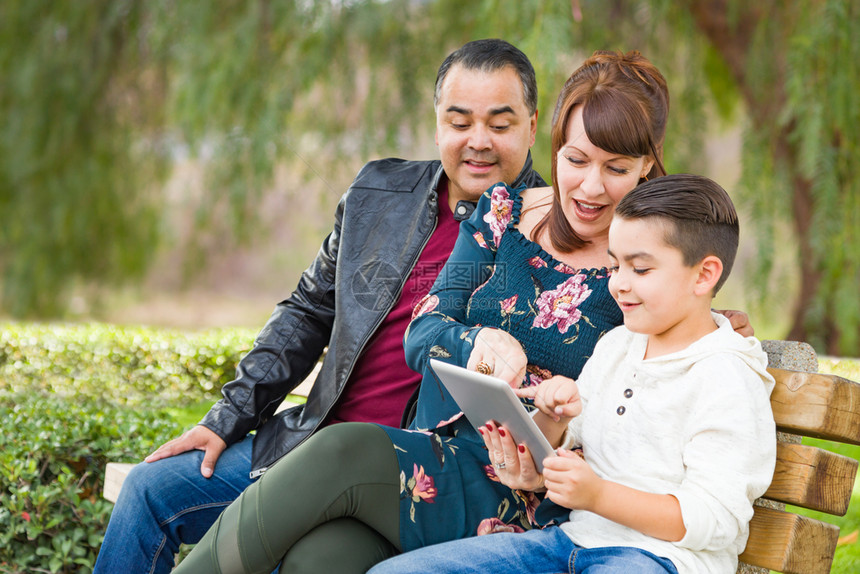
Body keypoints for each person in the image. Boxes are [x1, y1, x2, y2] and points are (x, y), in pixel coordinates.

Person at [172, 50, 753, 574]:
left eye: (617, 169)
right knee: (319, 559)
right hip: (431, 454)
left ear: (648, 167)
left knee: (342, 449)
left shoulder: (644, 271)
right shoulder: (503, 214)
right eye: (576, 159)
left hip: (532, 497)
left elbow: (688, 343)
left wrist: (720, 321)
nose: (590, 187)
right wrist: (478, 342)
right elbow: (423, 330)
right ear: (552, 145)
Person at [93, 38, 548, 574]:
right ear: (437, 124)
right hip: (310, 443)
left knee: (312, 560)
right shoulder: (380, 192)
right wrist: (227, 419)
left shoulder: (549, 235)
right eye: (459, 121)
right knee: (149, 490)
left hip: (405, 481)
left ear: (532, 126)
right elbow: (308, 310)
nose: (478, 142)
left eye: (500, 124)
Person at [366, 173, 777, 574]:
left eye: (641, 269)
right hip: (570, 544)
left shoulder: (727, 377)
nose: (619, 285)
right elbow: (566, 443)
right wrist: (554, 417)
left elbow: (715, 520)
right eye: (615, 266)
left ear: (704, 275)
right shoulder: (618, 346)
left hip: (659, 559)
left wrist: (597, 495)